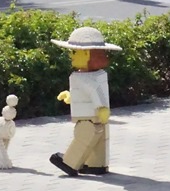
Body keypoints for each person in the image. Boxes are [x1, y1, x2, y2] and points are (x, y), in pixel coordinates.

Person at [49, 27, 122, 177]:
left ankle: (70, 162)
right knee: (99, 141)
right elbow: (89, 93)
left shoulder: (81, 77)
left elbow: (94, 91)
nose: (71, 56)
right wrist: (71, 97)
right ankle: (96, 165)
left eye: (75, 52)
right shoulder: (100, 74)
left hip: (87, 117)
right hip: (99, 116)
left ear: (87, 54)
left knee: (83, 138)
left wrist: (101, 107)